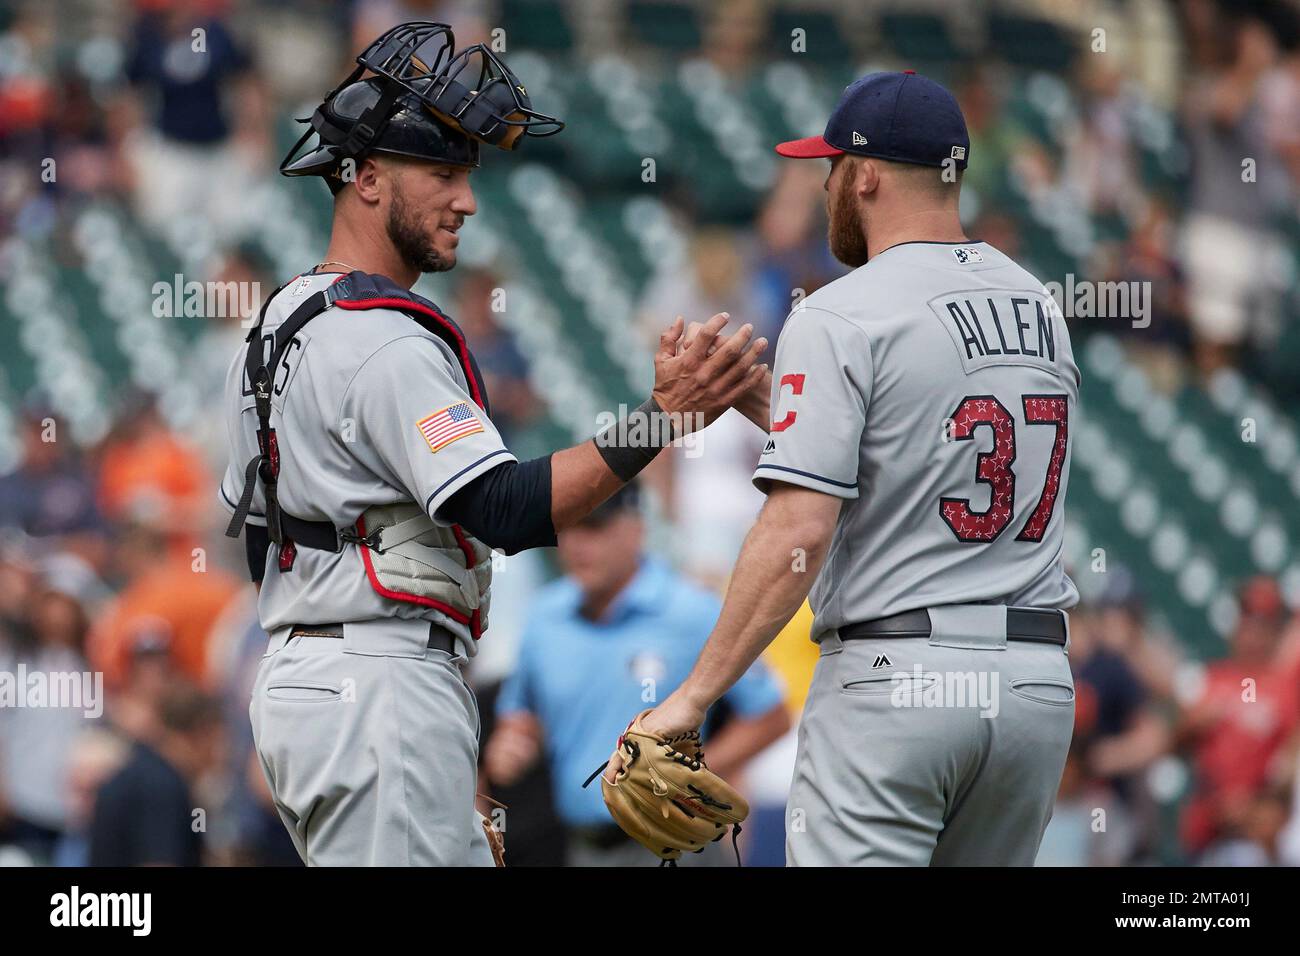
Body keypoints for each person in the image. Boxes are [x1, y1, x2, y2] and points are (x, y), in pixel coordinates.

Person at [219, 22, 768, 867]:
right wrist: (660, 417)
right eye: (441, 173)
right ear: (363, 179)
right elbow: (505, 508)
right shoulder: (383, 341)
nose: (466, 200)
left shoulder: (276, 326)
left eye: (466, 176)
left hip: (317, 681)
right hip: (380, 686)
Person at [607, 71, 1081, 866]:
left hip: (898, 683)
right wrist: (768, 402)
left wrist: (690, 700)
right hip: (1033, 688)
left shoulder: (839, 311)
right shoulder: (1039, 305)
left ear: (863, 175)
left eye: (828, 167)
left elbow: (799, 523)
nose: (825, 184)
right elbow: (923, 449)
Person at [484, 484, 788, 865]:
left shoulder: (692, 611)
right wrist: (512, 742)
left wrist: (685, 777)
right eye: (567, 528)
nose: (577, 544)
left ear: (635, 529)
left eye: (594, 527)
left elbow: (771, 716)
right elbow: (522, 714)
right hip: (584, 847)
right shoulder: (545, 616)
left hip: (676, 844)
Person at [87, 684, 224, 867]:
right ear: (201, 732)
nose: (220, 753)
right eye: (217, 739)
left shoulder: (143, 768)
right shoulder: (163, 788)